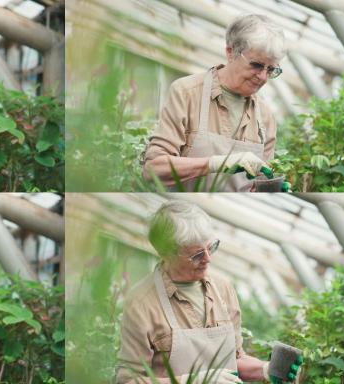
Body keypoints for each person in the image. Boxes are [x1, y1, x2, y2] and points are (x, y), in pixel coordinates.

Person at [116, 200, 301, 384]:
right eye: (196, 255)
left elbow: (235, 360)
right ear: (166, 253)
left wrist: (265, 370)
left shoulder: (223, 289)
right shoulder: (142, 303)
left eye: (211, 247)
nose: (208, 259)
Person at [143, 14, 285, 191]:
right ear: (230, 52)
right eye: (256, 65)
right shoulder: (187, 93)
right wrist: (215, 163)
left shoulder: (265, 116)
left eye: (271, 69)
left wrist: (271, 189)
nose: (263, 77)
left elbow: (258, 182)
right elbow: (154, 169)